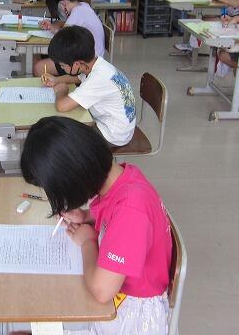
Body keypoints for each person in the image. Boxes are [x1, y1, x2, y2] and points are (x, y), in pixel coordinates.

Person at [20, 116, 172, 335]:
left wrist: (88, 242)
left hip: (132, 319)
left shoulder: (131, 210)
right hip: (119, 302)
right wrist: (85, 216)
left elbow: (102, 291)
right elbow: (113, 215)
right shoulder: (122, 180)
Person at [42, 26, 135, 147]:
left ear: (76, 64)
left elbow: (62, 106)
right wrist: (56, 80)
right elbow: (78, 78)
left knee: (61, 139)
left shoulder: (98, 78)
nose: (62, 68)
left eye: (63, 65)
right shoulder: (96, 65)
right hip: (119, 126)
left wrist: (61, 90)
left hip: (113, 135)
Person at [33, 0, 105, 76]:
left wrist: (53, 28)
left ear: (63, 3)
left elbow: (63, 38)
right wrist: (51, 27)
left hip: (87, 63)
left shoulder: (78, 12)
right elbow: (65, 29)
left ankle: (52, 83)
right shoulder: (83, 6)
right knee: (39, 55)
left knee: (38, 67)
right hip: (89, 56)